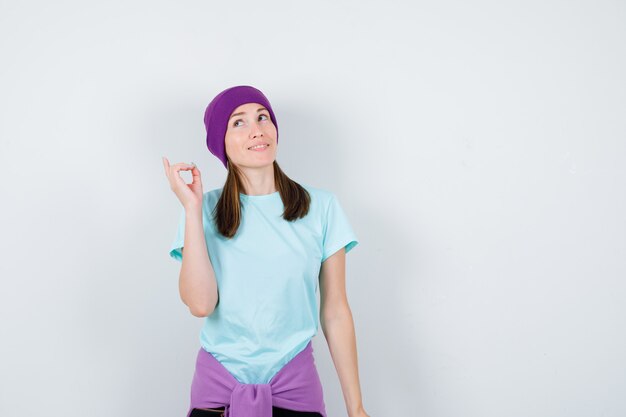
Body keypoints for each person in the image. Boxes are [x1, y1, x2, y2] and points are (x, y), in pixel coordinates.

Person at [162, 85, 370, 417]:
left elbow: (335, 311)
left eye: (262, 117)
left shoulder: (322, 207)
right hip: (217, 394)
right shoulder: (202, 209)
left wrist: (356, 408)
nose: (257, 130)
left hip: (295, 391)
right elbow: (200, 305)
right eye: (238, 122)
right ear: (222, 144)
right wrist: (191, 209)